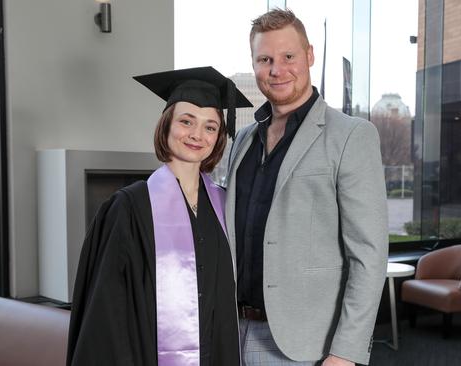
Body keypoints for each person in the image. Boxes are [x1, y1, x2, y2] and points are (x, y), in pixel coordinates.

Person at [226, 9, 388, 366]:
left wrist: (345, 353)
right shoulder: (243, 141)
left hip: (303, 346)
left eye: (288, 57)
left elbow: (369, 255)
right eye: (265, 59)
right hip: (230, 330)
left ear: (309, 55)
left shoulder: (351, 136)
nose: (277, 70)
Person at [67, 66, 252, 366]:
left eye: (210, 127)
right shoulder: (129, 208)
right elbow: (107, 314)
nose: (197, 135)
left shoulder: (224, 207)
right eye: (186, 121)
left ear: (219, 137)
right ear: (166, 126)